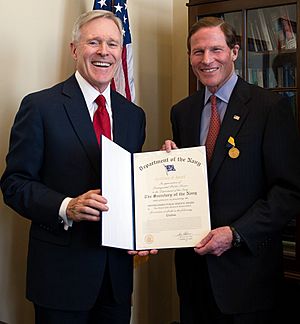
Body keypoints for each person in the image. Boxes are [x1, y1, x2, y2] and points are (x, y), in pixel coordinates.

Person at [0, 10, 155, 324]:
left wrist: (144, 233)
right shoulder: (40, 106)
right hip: (60, 278)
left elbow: (131, 188)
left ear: (120, 53)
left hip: (116, 280)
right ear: (74, 49)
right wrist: (65, 206)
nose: (103, 51)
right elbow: (14, 183)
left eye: (112, 44)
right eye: (93, 42)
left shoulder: (133, 115)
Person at [163, 16, 300, 324]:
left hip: (247, 279)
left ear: (234, 52)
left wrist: (237, 234)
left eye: (216, 49)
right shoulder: (182, 112)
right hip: (194, 276)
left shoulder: (269, 107)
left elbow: (288, 192)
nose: (207, 59)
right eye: (198, 52)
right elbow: (194, 184)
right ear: (189, 57)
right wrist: (169, 166)